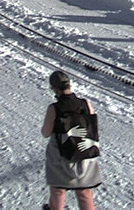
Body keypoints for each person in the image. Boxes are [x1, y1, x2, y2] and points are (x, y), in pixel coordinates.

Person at [41, 70, 101, 210]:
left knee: (58, 190)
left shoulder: (54, 108)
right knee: (84, 192)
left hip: (60, 156)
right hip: (84, 152)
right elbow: (92, 126)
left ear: (54, 88)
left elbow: (46, 133)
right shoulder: (85, 103)